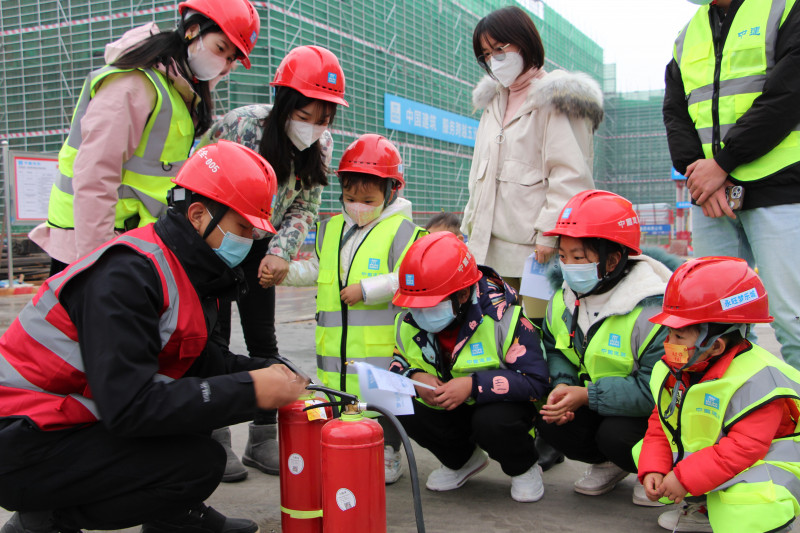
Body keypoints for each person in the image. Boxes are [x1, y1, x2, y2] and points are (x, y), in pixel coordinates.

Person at [0, 141, 309, 533]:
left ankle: (174, 517)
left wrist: (268, 370)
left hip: (66, 425)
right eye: (243, 228)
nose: (249, 241)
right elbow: (129, 407)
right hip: (24, 440)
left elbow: (201, 361)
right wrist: (250, 391)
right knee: (198, 463)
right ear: (198, 215)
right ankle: (43, 519)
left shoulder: (191, 271)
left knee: (197, 407)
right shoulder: (128, 276)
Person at [197, 45, 347, 480]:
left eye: (324, 119)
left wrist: (281, 252)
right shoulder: (244, 126)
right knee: (214, 343)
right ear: (285, 101)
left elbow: (304, 204)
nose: (315, 127)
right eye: (307, 115)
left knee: (263, 341)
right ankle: (214, 437)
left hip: (263, 242)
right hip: (217, 241)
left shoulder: (320, 144)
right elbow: (209, 193)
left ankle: (263, 439)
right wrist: (219, 254)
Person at [30, 0, 260, 276]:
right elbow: (95, 171)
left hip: (129, 245)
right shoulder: (135, 82)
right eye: (221, 49)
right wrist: (97, 262)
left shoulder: (177, 93)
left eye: (231, 60)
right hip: (93, 248)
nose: (223, 66)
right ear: (192, 30)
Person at [272, 133, 426, 484]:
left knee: (382, 406)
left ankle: (389, 452)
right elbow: (316, 270)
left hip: (381, 351)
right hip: (335, 351)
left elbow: (407, 278)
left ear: (391, 192)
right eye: (350, 197)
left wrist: (367, 290)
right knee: (343, 405)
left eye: (368, 199)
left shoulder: (404, 232)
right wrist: (285, 272)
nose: (358, 205)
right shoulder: (331, 230)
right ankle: (344, 447)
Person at [663, 0, 800, 367]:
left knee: (793, 319)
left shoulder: (785, 9)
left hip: (780, 188)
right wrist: (700, 176)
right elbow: (676, 112)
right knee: (719, 324)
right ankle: (740, 413)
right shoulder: (687, 35)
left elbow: (788, 96)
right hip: (711, 199)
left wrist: (723, 164)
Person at [535, 190, 681, 504]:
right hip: (598, 401)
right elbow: (557, 349)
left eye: (578, 258)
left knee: (616, 435)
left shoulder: (654, 311)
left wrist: (587, 396)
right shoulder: (564, 299)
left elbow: (655, 393)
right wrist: (562, 385)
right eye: (562, 256)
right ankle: (609, 464)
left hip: (648, 417)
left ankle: (655, 468)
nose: (568, 267)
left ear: (613, 259)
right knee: (548, 418)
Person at [462, 5, 602, 325]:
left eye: (500, 49)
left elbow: (569, 172)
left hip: (535, 251)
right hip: (489, 249)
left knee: (536, 328)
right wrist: (469, 229)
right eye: (486, 54)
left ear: (524, 43)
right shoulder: (494, 103)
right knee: (498, 330)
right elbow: (479, 175)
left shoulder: (555, 96)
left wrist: (549, 233)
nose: (493, 60)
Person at [638, 257, 800, 533]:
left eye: (678, 336)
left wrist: (684, 478)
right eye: (668, 333)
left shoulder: (758, 378)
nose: (668, 344)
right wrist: (653, 468)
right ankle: (702, 505)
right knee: (646, 450)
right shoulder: (681, 368)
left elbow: (743, 448)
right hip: (723, 463)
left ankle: (769, 518)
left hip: (769, 466)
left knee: (745, 512)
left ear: (715, 345)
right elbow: (661, 424)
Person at [389, 232, 550, 502]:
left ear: (462, 294)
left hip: (501, 409)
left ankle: (524, 468)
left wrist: (474, 385)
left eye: (431, 304)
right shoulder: (408, 322)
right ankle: (462, 461)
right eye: (415, 305)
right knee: (401, 401)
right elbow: (398, 364)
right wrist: (415, 377)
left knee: (492, 421)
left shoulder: (504, 319)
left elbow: (537, 381)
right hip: (450, 408)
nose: (420, 313)